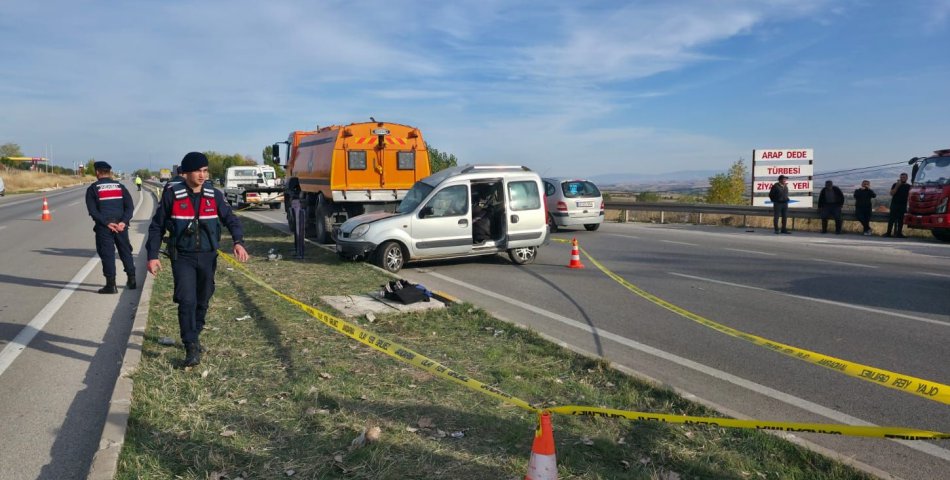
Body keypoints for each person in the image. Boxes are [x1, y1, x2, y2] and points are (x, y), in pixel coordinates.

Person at [146, 152, 249, 367]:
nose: (202, 175)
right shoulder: (172, 195)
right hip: (182, 257)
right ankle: (190, 345)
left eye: (205, 171)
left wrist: (238, 241)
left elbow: (231, 219)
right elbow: (156, 227)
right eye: (197, 171)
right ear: (185, 173)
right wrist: (152, 256)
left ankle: (196, 332)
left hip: (208, 256)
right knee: (187, 300)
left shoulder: (214, 195)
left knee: (203, 298)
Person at [86, 161, 137, 294]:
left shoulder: (93, 189)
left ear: (97, 172)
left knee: (107, 254)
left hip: (104, 227)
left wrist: (106, 223)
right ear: (109, 172)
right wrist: (124, 222)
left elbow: (93, 211)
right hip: (121, 227)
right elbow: (129, 207)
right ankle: (132, 281)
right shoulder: (120, 187)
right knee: (125, 252)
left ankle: (111, 286)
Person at [884, 172, 910, 238]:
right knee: (891, 219)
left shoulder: (908, 186)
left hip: (903, 205)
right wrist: (897, 186)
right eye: (901, 177)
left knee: (901, 220)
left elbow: (910, 196)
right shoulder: (895, 184)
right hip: (894, 204)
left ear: (907, 178)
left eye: (904, 177)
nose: (902, 178)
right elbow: (892, 193)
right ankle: (888, 233)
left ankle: (899, 234)